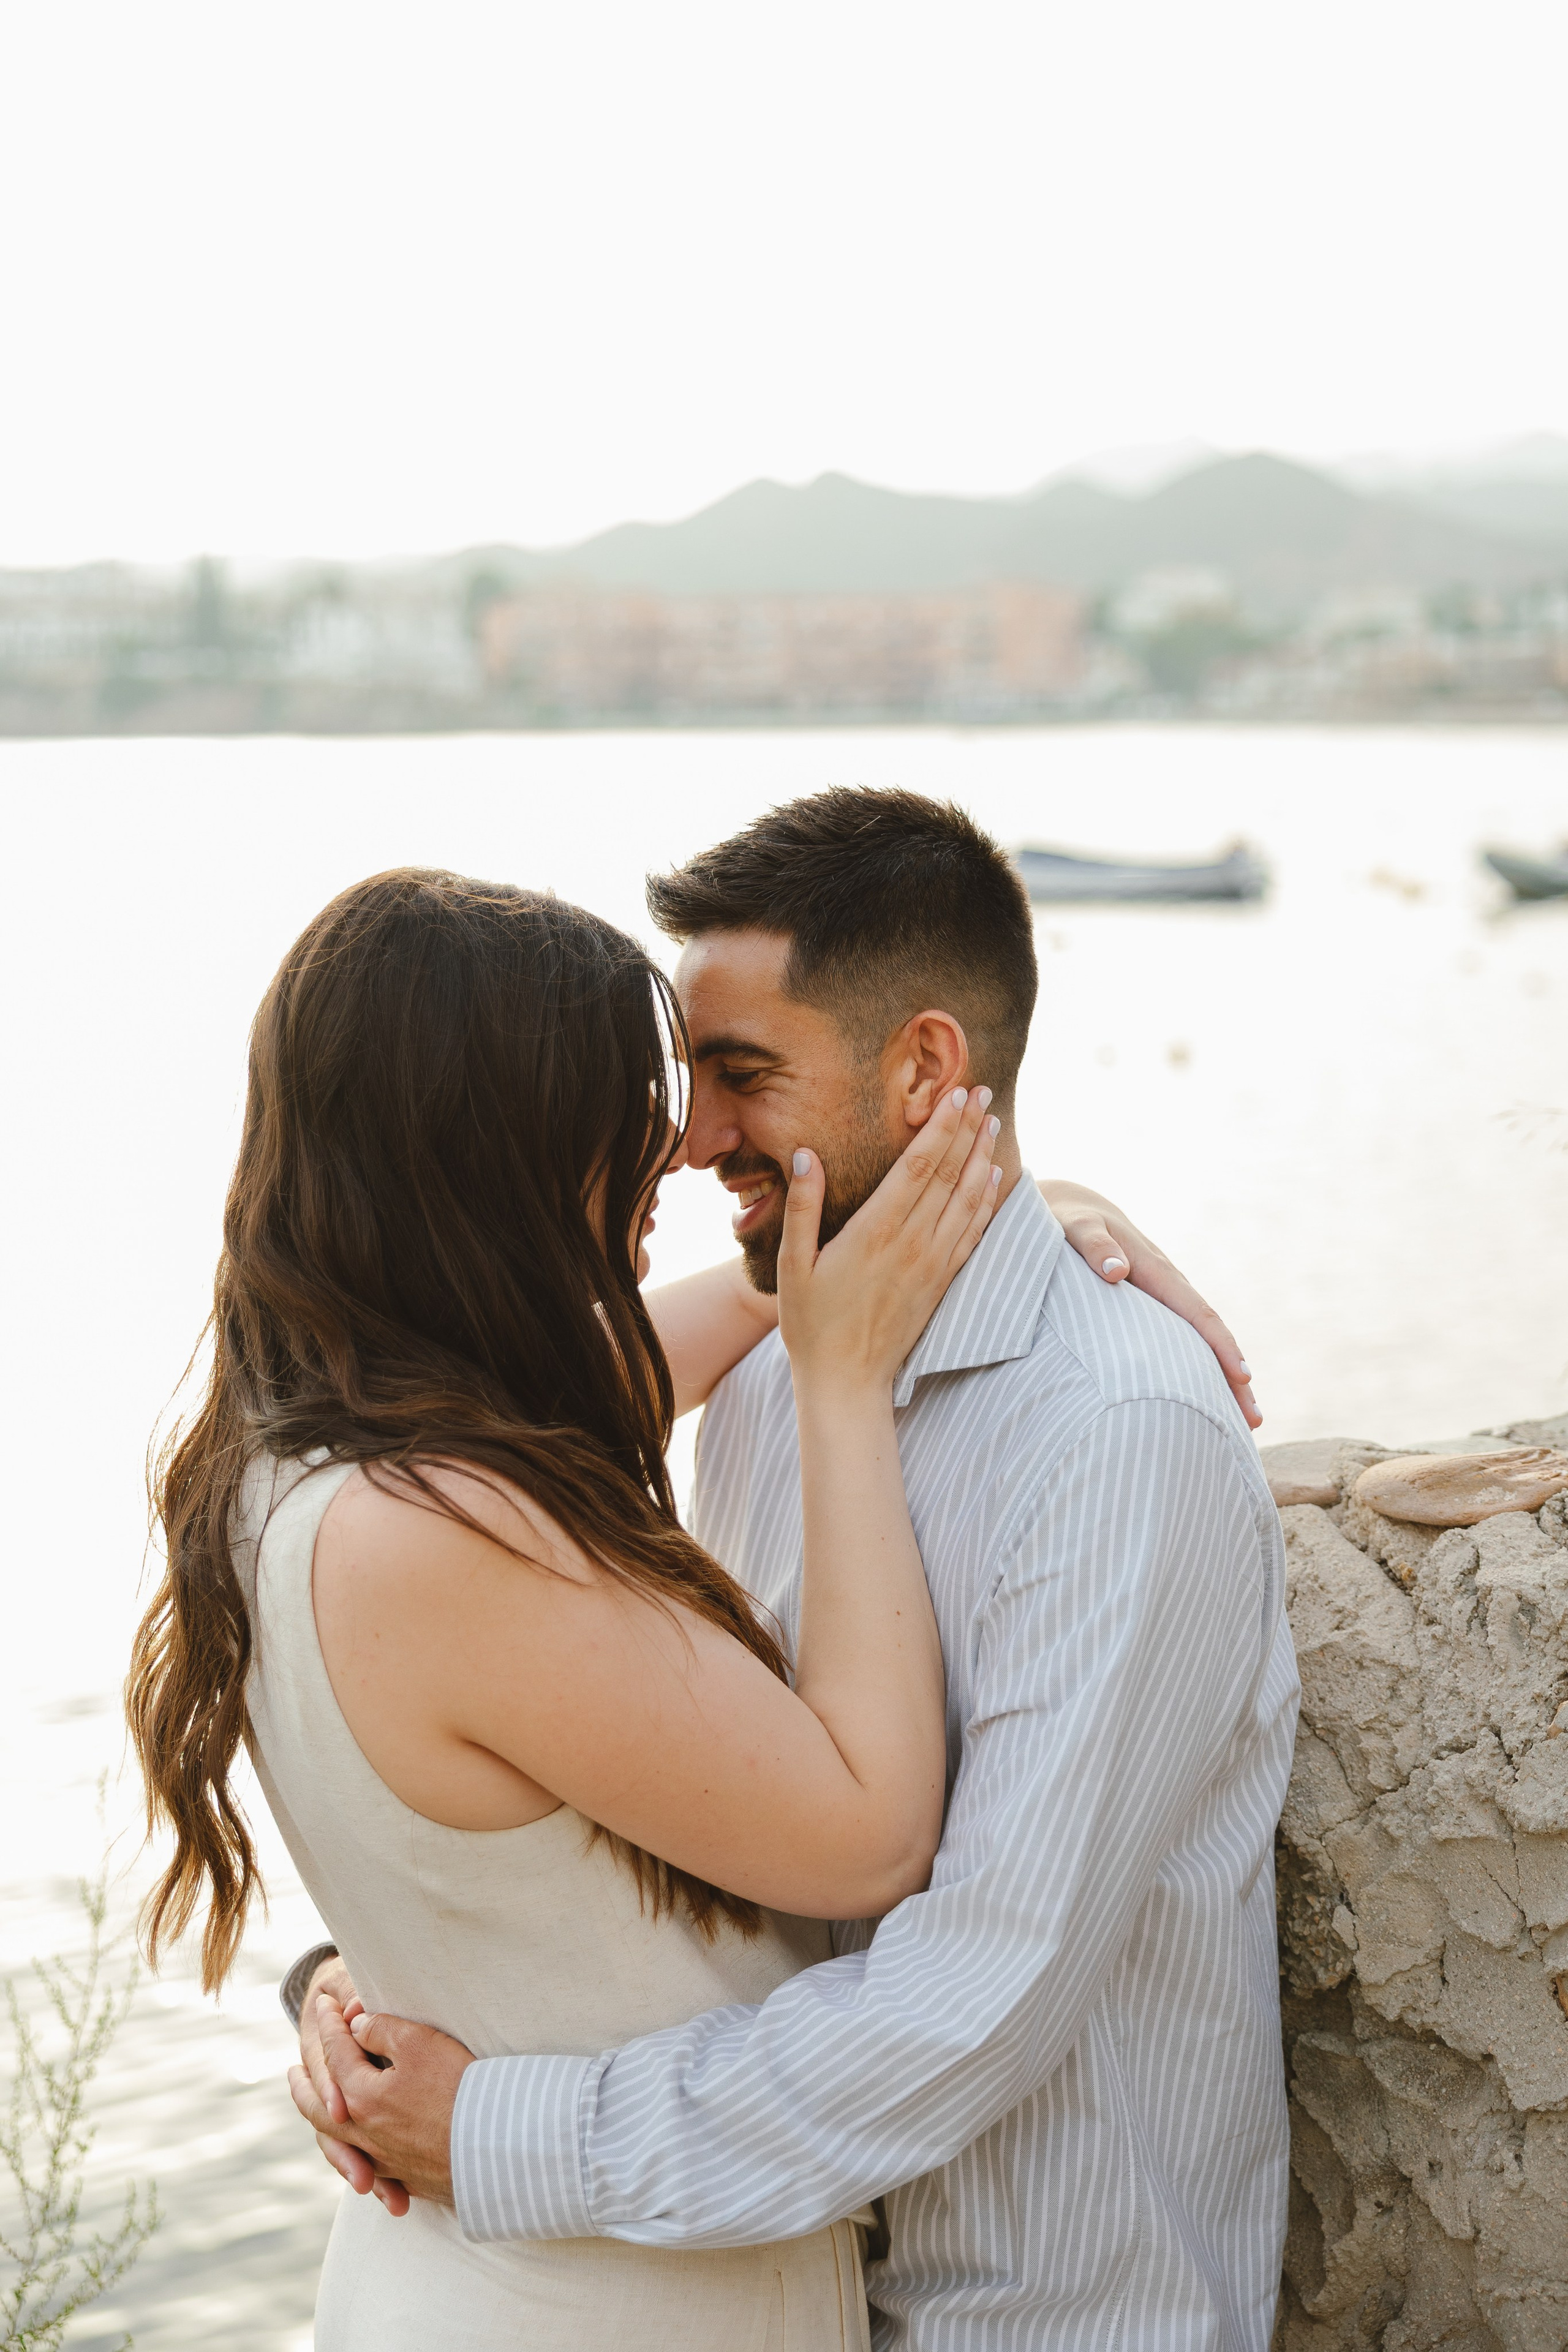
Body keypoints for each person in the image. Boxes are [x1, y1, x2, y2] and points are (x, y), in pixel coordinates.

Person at [289, 790, 1298, 2352]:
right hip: (768, 2299)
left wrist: (493, 2134)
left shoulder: (1120, 1441)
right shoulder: (766, 1384)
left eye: (739, 1078)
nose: (688, 1142)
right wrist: (358, 1980)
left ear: (923, 1071)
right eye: (689, 1081)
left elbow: (965, 2012)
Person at [127, 865, 1013, 2351]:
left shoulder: (297, 1455)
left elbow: (640, 1365)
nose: (671, 1155)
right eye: (619, 1119)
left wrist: (991, 1214)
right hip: (598, 2308)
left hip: (483, 2285)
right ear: (496, 1158)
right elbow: (867, 1835)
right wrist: (843, 1387)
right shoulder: (444, 1539)